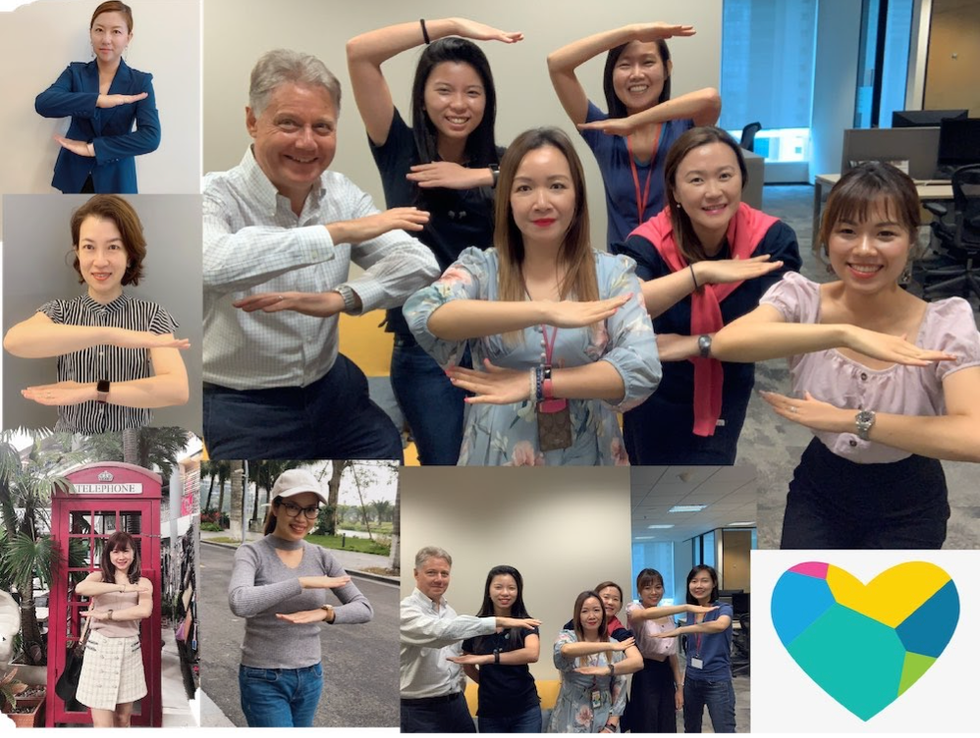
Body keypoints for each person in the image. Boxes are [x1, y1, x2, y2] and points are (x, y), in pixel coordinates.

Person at [712, 162, 980, 548]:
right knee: (807, 608)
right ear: (826, 237)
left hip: (910, 501)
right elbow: (727, 343)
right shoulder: (802, 298)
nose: (864, 249)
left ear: (910, 239)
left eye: (885, 233)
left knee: (890, 611)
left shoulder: (944, 322)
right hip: (821, 491)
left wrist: (853, 420)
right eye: (847, 231)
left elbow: (971, 436)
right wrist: (844, 333)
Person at [202, 49, 440, 460]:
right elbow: (214, 264)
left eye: (322, 127)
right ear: (252, 121)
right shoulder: (213, 194)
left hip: (332, 387)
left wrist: (342, 299)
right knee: (263, 509)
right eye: (288, 123)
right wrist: (334, 234)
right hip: (242, 403)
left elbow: (421, 264)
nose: (307, 142)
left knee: (386, 478)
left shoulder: (341, 193)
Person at [404, 126, 660, 465]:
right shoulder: (482, 268)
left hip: (588, 452)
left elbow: (643, 368)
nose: (541, 203)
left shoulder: (613, 274)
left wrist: (538, 383)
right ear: (507, 199)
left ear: (577, 195)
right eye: (524, 188)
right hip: (499, 451)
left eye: (556, 185)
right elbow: (426, 313)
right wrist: (542, 311)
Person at [347, 18, 521, 465]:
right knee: (444, 465)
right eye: (444, 89)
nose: (458, 104)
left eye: (472, 92)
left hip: (496, 344)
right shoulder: (398, 148)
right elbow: (360, 52)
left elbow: (557, 186)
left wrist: (479, 176)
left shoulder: (505, 165)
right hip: (424, 351)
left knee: (500, 464)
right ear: (423, 96)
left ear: (488, 100)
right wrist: (451, 26)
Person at [617, 126, 802, 464]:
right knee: (651, 493)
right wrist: (698, 274)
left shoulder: (771, 239)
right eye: (697, 180)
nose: (713, 192)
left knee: (707, 491)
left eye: (724, 176)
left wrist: (697, 344)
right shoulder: (648, 241)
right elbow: (628, 305)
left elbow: (779, 328)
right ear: (674, 189)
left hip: (726, 387)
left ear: (741, 180)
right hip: (654, 389)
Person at [3, 194, 190, 434]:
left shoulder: (152, 316)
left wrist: (94, 390)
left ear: (129, 255)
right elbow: (13, 341)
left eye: (113, 247)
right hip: (69, 448)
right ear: (78, 252)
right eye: (89, 247)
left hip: (131, 448)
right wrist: (110, 335)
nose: (100, 261)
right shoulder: (60, 312)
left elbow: (177, 389)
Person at [547, 22, 720, 247]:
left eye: (648, 62)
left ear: (667, 68)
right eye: (625, 65)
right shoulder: (601, 131)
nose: (636, 74)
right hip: (621, 272)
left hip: (677, 268)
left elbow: (710, 99)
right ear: (612, 74)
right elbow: (556, 64)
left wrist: (633, 122)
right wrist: (632, 32)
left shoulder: (685, 127)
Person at [227, 469, 373, 728]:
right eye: (293, 507)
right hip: (263, 677)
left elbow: (364, 608)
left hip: (311, 675)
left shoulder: (321, 556)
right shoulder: (252, 553)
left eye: (311, 509)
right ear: (275, 507)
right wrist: (300, 583)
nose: (302, 518)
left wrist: (325, 613)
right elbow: (239, 602)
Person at [401, 548, 540, 733]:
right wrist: (500, 621)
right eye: (431, 572)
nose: (439, 579)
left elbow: (531, 654)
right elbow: (441, 634)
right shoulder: (406, 610)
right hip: (420, 707)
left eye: (444, 573)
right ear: (416, 574)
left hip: (457, 703)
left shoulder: (449, 613)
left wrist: (487, 661)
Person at [34, 1, 160, 194]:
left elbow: (150, 138)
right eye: (99, 30)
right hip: (74, 175)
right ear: (91, 33)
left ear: (128, 37)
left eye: (116, 32)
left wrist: (93, 148)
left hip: (116, 178)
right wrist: (98, 100)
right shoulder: (75, 72)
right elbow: (43, 104)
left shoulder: (141, 82)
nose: (106, 39)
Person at [624, 568, 719, 733]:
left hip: (666, 675)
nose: (654, 592)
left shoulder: (668, 616)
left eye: (658, 587)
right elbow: (645, 615)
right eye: (647, 588)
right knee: (647, 723)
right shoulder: (634, 609)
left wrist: (679, 688)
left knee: (667, 723)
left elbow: (672, 656)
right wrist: (686, 607)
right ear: (639, 591)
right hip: (646, 674)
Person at [74, 531, 152, 728]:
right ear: (108, 555)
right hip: (100, 649)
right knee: (103, 724)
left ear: (134, 553)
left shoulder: (142, 582)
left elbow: (144, 610)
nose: (121, 557)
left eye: (125, 551)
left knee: (123, 720)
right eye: (115, 552)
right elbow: (80, 589)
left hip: (129, 651)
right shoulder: (98, 577)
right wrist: (122, 588)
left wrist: (107, 615)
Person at [453, 565, 541, 733]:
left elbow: (532, 653)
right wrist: (490, 684)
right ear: (489, 591)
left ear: (518, 592)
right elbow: (468, 665)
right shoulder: (476, 625)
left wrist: (488, 658)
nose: (505, 593)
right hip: (490, 711)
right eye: (498, 587)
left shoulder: (526, 622)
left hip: (525, 709)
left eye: (511, 588)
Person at [652, 565, 734, 733]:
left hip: (716, 681)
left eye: (704, 581)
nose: (698, 585)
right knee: (691, 729)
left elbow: (720, 625)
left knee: (724, 729)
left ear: (714, 583)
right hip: (692, 680)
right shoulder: (690, 611)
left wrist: (681, 630)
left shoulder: (723, 609)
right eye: (694, 581)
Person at [549, 590, 641, 733]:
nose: (591, 616)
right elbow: (565, 651)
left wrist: (611, 726)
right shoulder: (568, 636)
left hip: (603, 716)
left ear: (603, 614)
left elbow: (620, 685)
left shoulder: (615, 643)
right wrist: (608, 645)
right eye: (585, 611)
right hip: (570, 715)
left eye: (597, 610)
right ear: (578, 615)